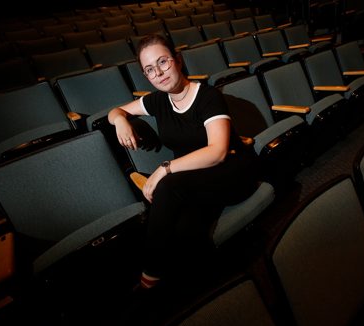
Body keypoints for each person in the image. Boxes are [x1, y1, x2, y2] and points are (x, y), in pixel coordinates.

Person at [107, 34, 260, 290]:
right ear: (146, 76)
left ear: (178, 60)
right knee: (184, 230)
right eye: (149, 69)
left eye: (163, 62)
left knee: (167, 187)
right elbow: (115, 111)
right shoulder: (157, 101)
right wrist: (121, 121)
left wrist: (163, 169)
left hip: (232, 172)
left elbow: (217, 152)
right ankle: (208, 290)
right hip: (195, 179)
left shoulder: (208, 96)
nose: (158, 72)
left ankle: (149, 277)